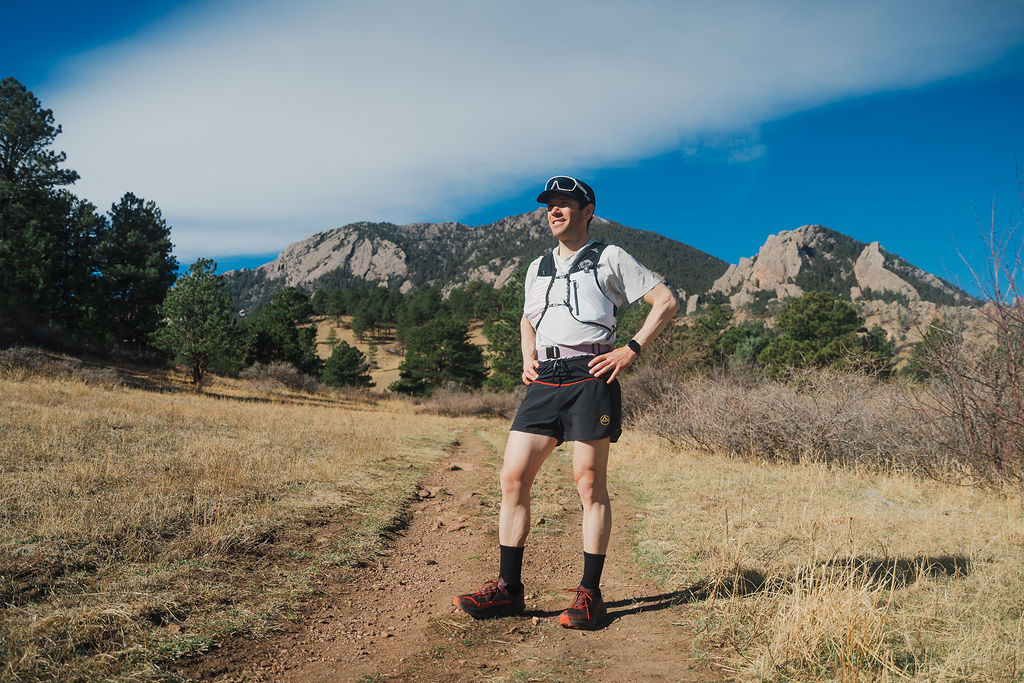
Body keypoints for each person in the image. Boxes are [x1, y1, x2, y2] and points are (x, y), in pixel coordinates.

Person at [453, 175, 679, 629]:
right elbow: (527, 319)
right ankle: (508, 589)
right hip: (546, 380)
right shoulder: (537, 267)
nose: (555, 211)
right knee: (513, 477)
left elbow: (666, 301)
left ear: (587, 209)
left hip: (591, 375)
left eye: (565, 204)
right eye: (550, 205)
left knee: (588, 485)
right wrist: (527, 357)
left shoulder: (610, 256)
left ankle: (590, 595)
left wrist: (629, 349)